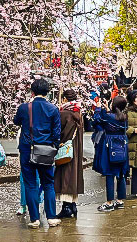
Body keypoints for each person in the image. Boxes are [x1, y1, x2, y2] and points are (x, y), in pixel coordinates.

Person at [13, 79, 61, 228]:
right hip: (46, 151)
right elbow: (57, 133)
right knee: (48, 184)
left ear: (32, 92)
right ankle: (51, 217)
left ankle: (34, 219)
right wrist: (53, 147)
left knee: (30, 184)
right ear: (47, 92)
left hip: (28, 150)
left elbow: (16, 122)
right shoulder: (53, 109)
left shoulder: (23, 108)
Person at [93, 95, 129, 211]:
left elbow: (96, 120)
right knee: (121, 174)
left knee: (109, 174)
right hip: (122, 147)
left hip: (109, 146)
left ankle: (109, 202)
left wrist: (99, 108)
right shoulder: (124, 117)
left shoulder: (108, 117)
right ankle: (120, 200)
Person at [54, 89, 84, 219]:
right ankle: (73, 205)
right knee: (74, 175)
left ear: (65, 99)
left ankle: (66, 207)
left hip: (65, 149)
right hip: (76, 149)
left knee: (65, 175)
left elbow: (59, 132)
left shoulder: (64, 113)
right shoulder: (78, 112)